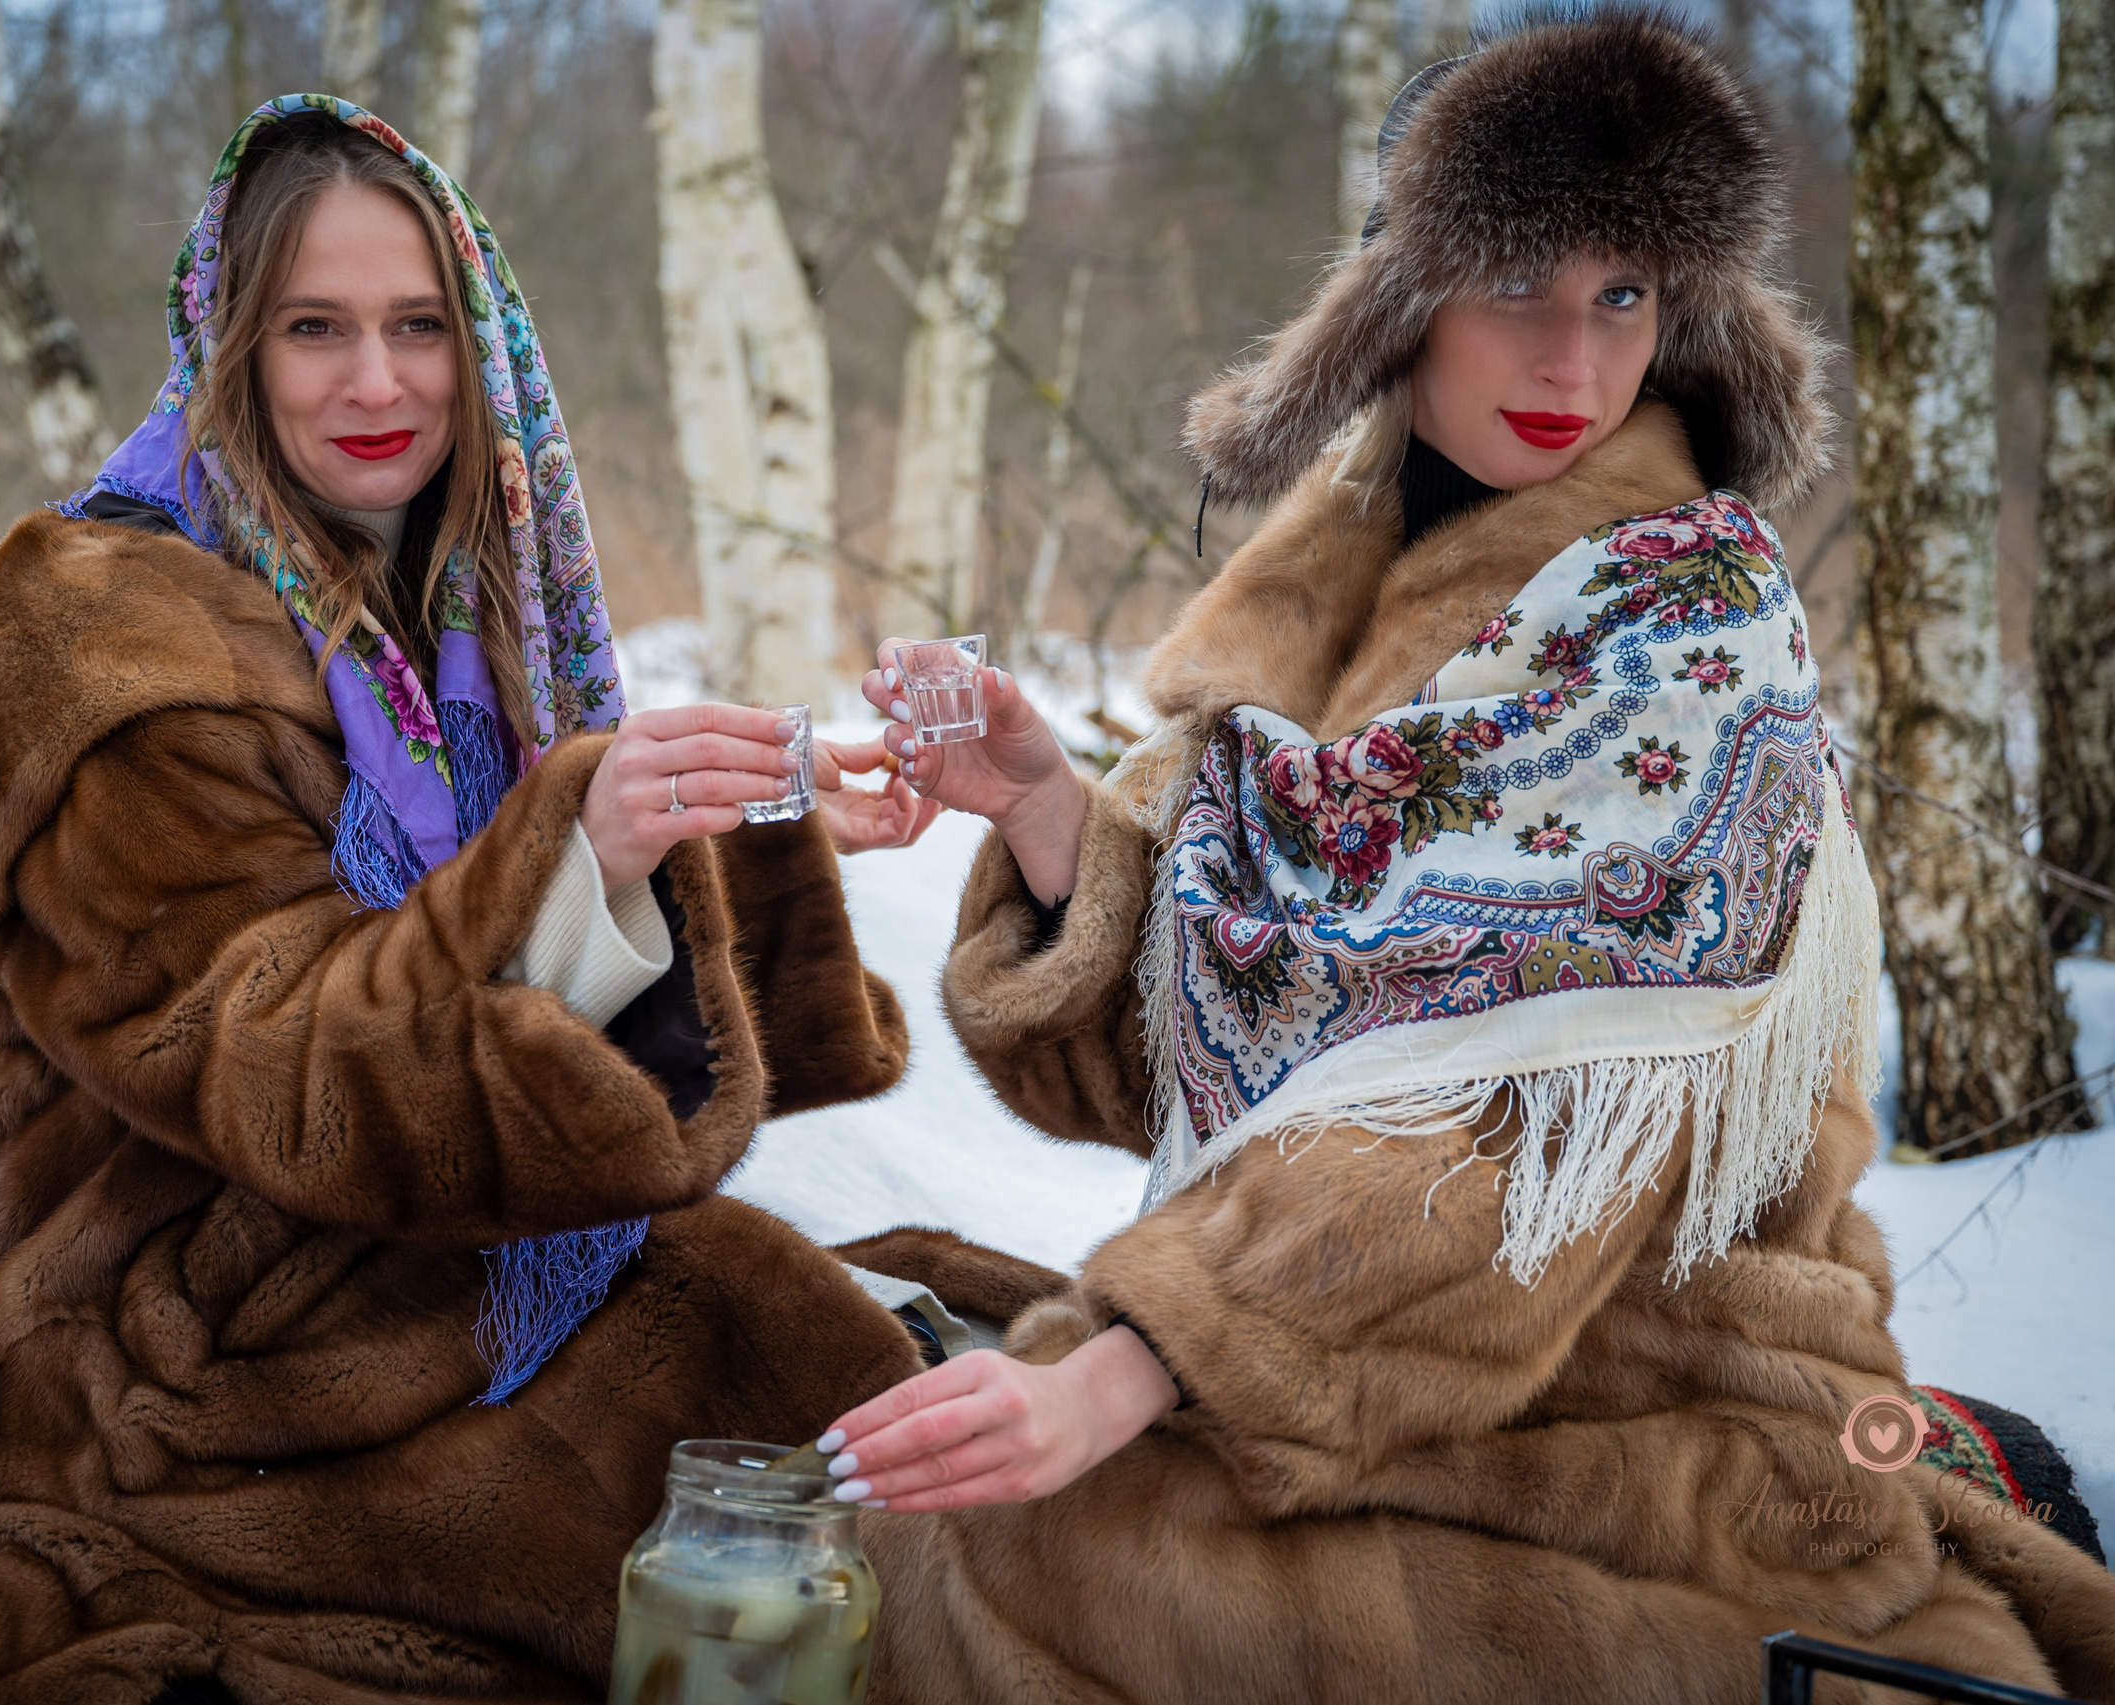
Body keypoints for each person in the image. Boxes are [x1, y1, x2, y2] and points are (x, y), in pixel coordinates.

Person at [821, 17, 2115, 1702]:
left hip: (1653, 1421)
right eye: (1518, 282)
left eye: (1627, 294)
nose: (1575, 361)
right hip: (1386, 1372)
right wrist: (1052, 816)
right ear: (1399, 301)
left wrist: (1129, 1367)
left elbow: (1512, 1143)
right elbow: (1242, 1054)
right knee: (831, 1387)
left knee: (1007, 1558)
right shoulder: (1341, 602)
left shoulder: (1686, 643)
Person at [0, 96, 1060, 1703]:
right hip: (184, 1328)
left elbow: (463, 916)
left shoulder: (437, 596)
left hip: (411, 1249)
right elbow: (286, 1059)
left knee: (954, 1391)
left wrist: (731, 829)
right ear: (230, 342)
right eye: (315, 329)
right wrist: (579, 846)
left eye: (417, 327)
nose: (377, 384)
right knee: (847, 1533)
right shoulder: (105, 654)